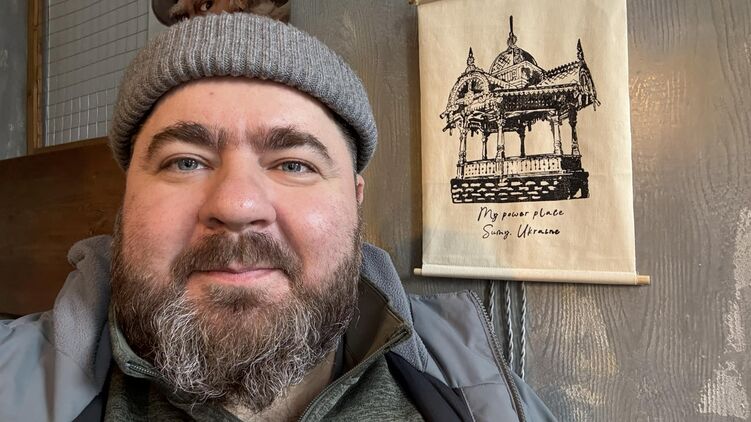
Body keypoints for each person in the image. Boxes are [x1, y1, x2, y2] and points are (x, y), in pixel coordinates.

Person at [0, 11, 556, 422]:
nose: (237, 206)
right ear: (127, 198)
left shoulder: (483, 394)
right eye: (185, 161)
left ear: (355, 200)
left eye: (294, 164)